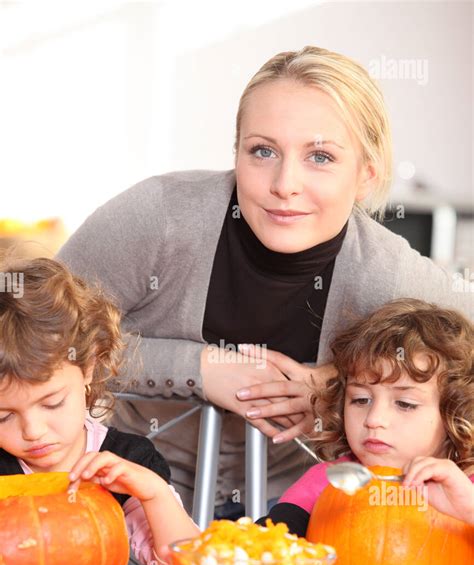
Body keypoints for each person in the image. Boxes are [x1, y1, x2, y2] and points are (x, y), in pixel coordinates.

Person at [57, 45, 472, 515]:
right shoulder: (159, 217)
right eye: (263, 151)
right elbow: (36, 341)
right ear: (236, 153)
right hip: (121, 492)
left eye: (320, 157)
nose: (284, 184)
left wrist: (337, 385)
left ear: (365, 175)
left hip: (298, 509)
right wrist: (200, 369)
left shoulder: (386, 271)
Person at [150, 298, 473, 565]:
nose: (374, 419)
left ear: (456, 414)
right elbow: (271, 544)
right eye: (360, 399)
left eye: (404, 404)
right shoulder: (330, 480)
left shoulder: (465, 489)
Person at [0, 254, 199, 565]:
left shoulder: (130, 460)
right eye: (3, 417)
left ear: (88, 367)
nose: (33, 431)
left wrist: (154, 494)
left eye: (51, 403)